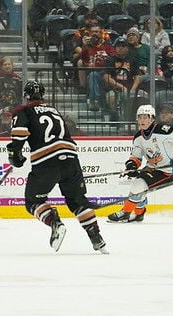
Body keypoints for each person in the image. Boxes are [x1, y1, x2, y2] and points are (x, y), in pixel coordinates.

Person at [6, 81, 107, 253]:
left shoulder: (23, 111)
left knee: (33, 201)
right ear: (43, 96)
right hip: (71, 158)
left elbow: (19, 135)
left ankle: (55, 222)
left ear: (25, 96)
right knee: (77, 201)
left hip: (46, 161)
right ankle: (97, 239)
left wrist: (15, 155)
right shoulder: (54, 110)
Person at [107, 104, 173, 223]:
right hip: (151, 168)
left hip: (167, 171)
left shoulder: (164, 130)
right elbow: (136, 157)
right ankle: (138, 214)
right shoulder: (138, 137)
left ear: (152, 118)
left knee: (138, 186)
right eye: (140, 117)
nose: (142, 120)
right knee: (138, 187)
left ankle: (125, 213)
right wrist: (132, 166)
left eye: (145, 117)